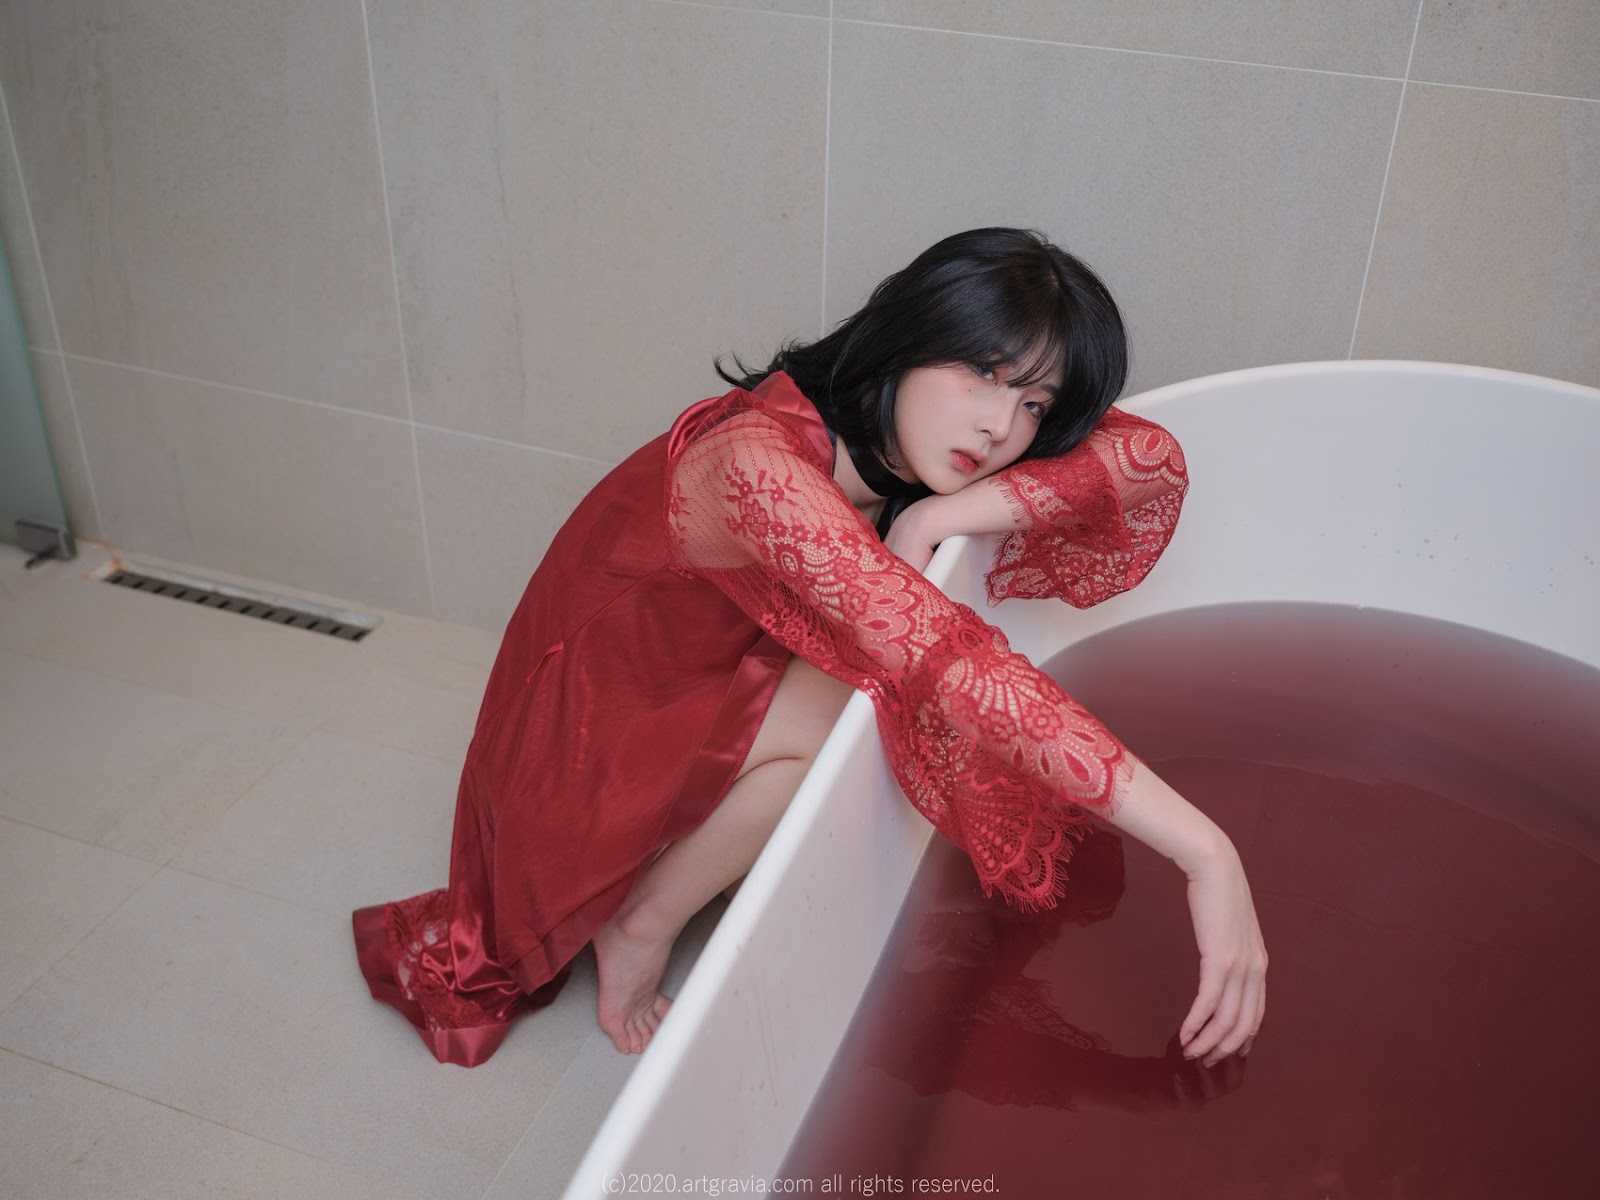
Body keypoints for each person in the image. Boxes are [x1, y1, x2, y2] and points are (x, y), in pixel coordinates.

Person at [351, 226, 1267, 1069]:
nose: (1001, 427)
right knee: (881, 692)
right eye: (984, 373)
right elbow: (953, 664)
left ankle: (691, 863)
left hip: (698, 687)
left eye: (1033, 404)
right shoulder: (756, 465)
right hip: (587, 742)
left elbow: (1152, 461)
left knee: (880, 694)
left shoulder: (897, 456)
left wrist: (938, 517)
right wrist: (1205, 849)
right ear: (909, 336)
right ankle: (640, 922)